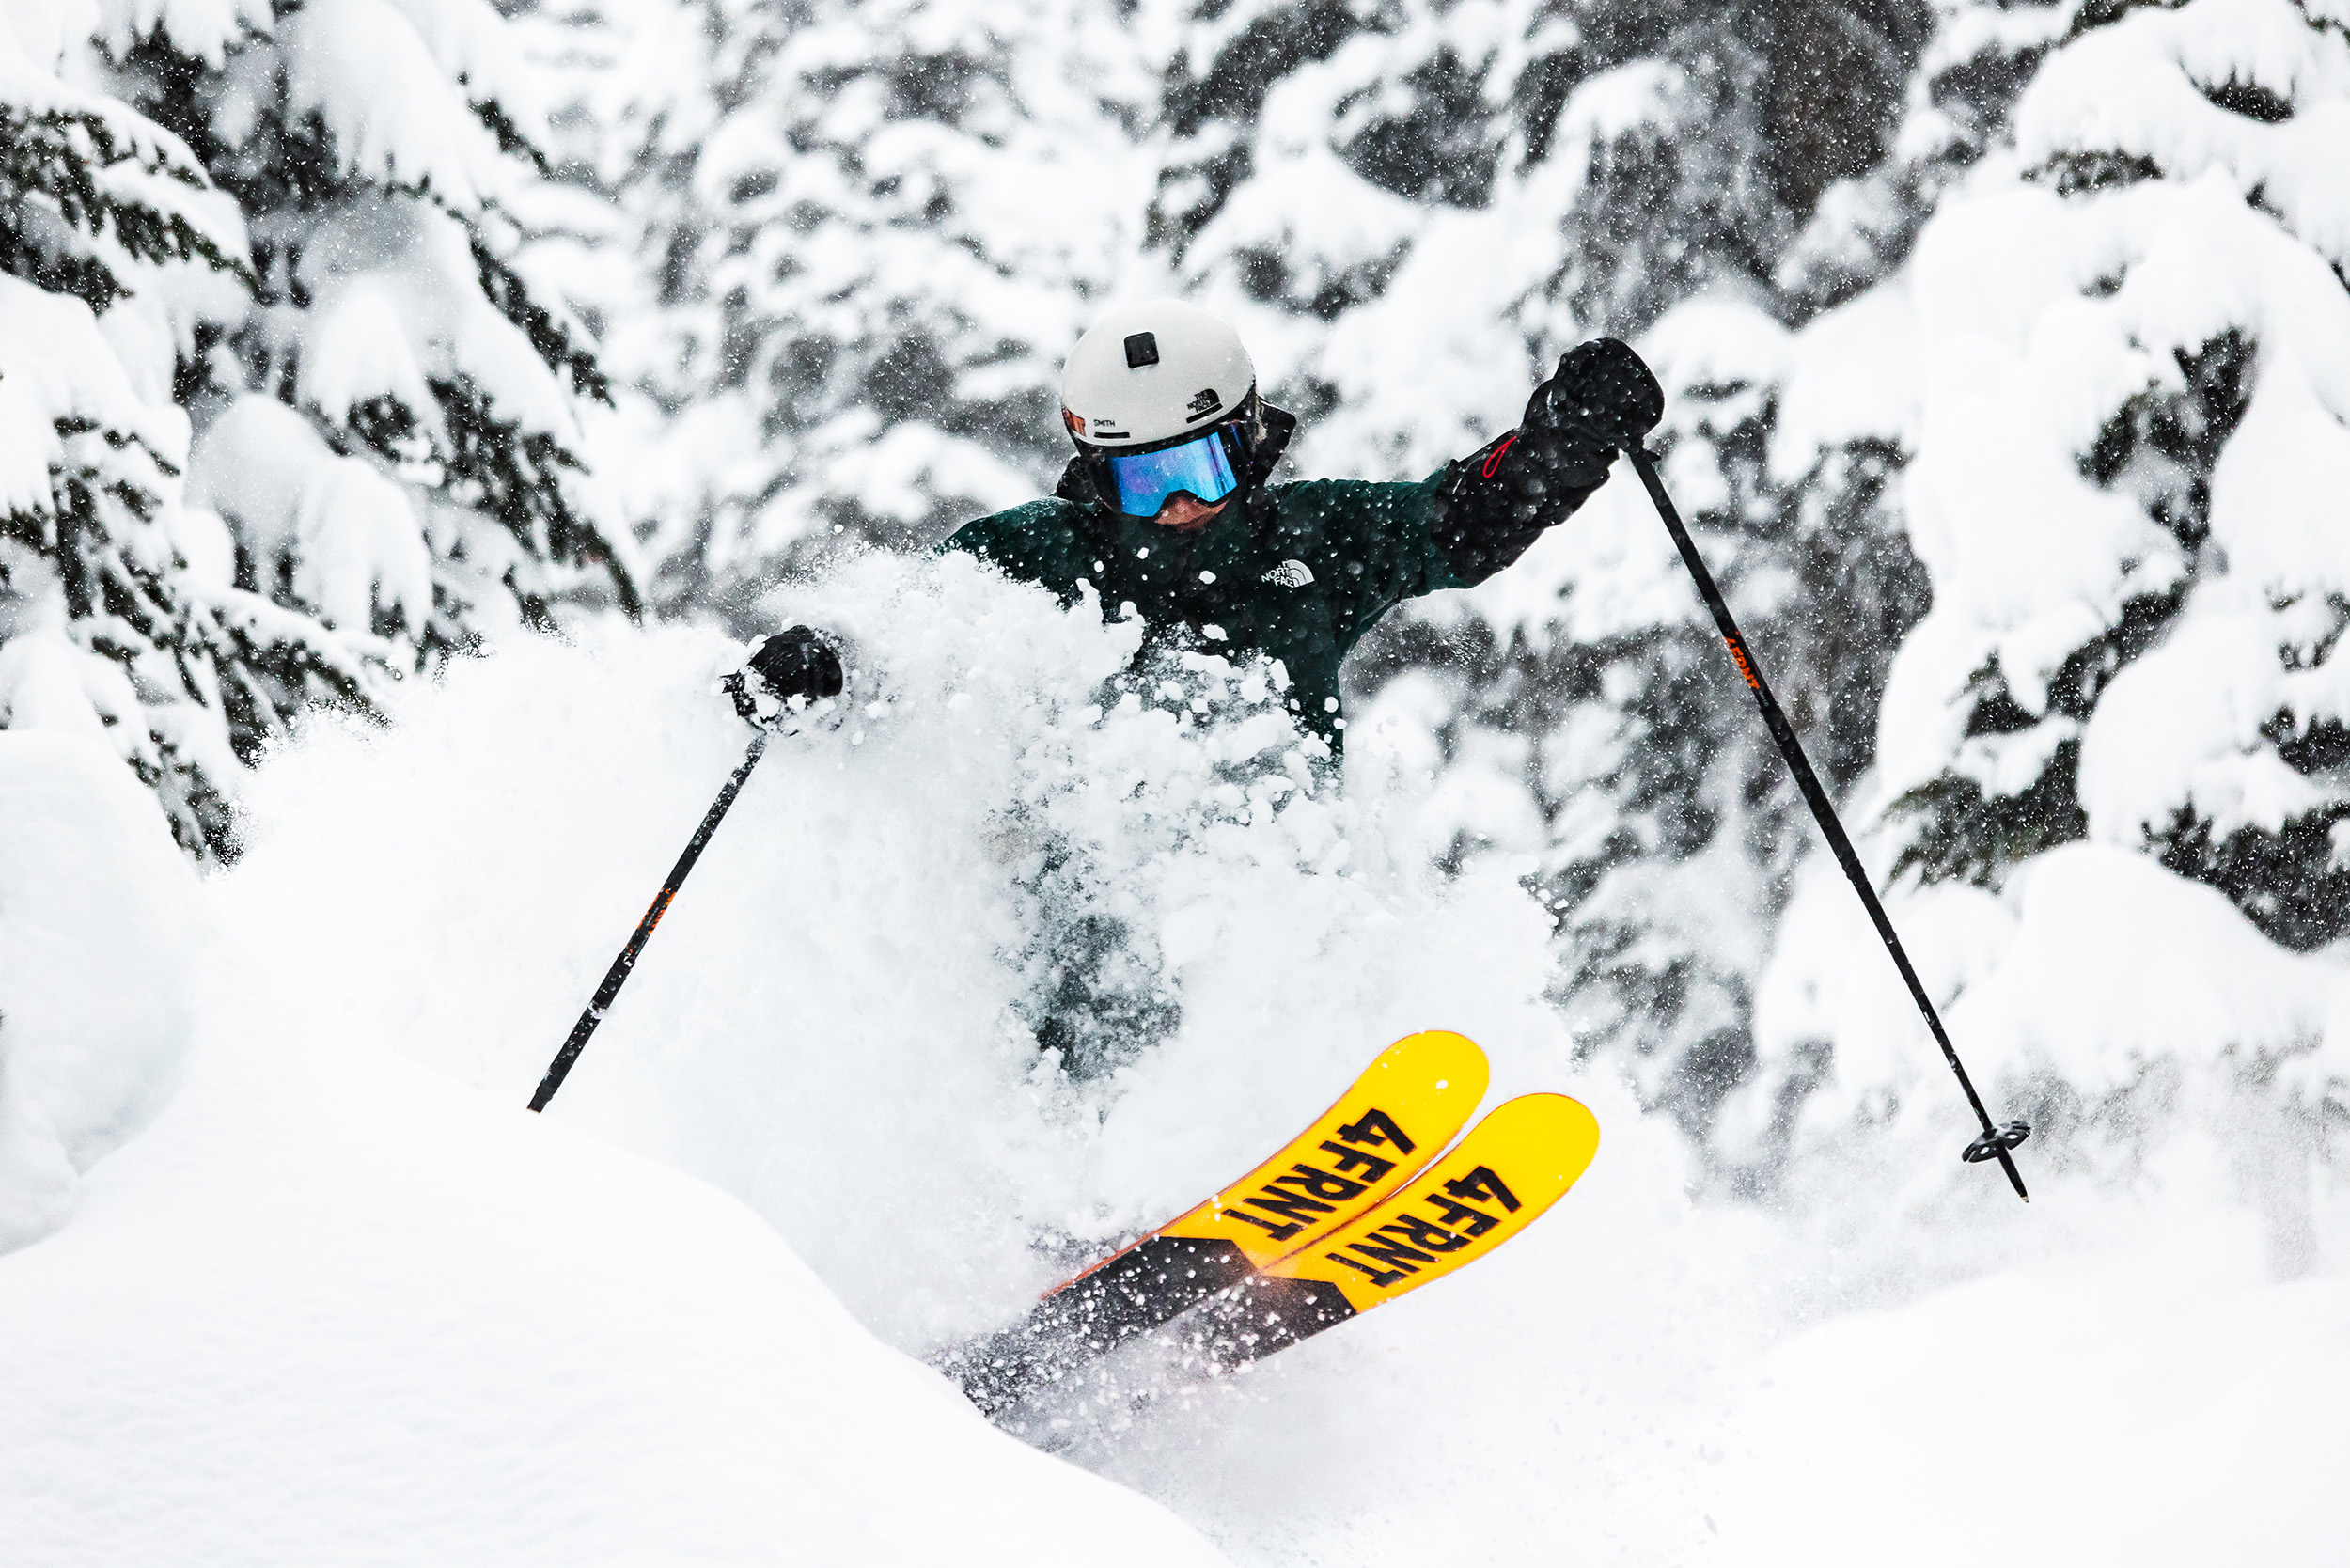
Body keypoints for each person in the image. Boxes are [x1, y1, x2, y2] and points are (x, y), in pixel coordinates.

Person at [734, 300, 1663, 750]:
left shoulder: (1311, 542)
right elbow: (908, 639)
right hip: (1061, 921)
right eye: (1142, 480)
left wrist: (1563, 438)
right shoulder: (1031, 554)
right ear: (1094, 475)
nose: (1176, 503)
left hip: (1269, 907)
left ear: (1248, 441)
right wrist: (826, 663)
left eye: (1201, 467)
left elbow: (1461, 525)